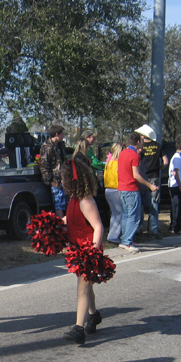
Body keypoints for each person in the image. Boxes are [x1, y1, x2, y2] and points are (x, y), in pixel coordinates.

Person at [60, 159, 104, 345]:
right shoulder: (73, 200)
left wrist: (93, 253)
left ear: (71, 180)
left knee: (82, 289)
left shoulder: (85, 201)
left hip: (88, 249)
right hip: (77, 249)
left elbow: (99, 226)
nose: (61, 182)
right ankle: (93, 316)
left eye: (63, 178)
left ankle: (78, 329)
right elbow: (69, 218)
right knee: (87, 287)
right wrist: (50, 225)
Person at [117, 132, 157, 254]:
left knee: (126, 215)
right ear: (138, 142)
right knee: (134, 216)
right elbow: (136, 175)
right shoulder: (135, 155)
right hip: (131, 189)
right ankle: (127, 241)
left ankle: (125, 238)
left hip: (121, 188)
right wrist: (150, 185)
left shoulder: (122, 153)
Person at [135, 124, 167, 239]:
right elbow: (165, 161)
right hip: (154, 177)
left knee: (140, 203)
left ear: (143, 137)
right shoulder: (158, 146)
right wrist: (159, 168)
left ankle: (139, 228)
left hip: (142, 177)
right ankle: (153, 230)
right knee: (154, 203)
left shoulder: (140, 148)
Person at [38, 126, 67, 218]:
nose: (63, 136)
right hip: (55, 180)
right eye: (62, 134)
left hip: (64, 178)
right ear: (56, 134)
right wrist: (51, 181)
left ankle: (68, 224)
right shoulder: (47, 147)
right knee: (59, 204)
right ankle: (63, 225)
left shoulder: (60, 145)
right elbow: (44, 165)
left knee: (66, 203)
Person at [103, 143, 122, 244]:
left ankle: (112, 234)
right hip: (115, 189)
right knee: (119, 213)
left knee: (114, 214)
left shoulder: (108, 162)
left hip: (108, 189)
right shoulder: (117, 163)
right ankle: (114, 236)